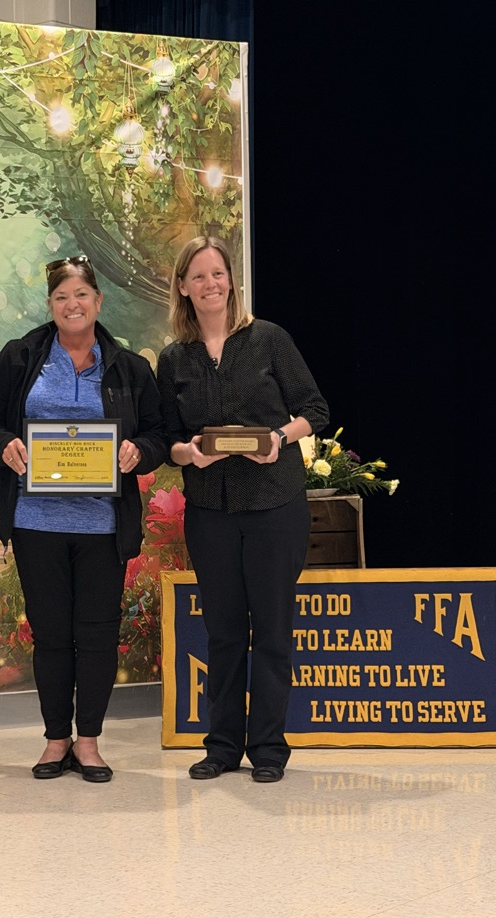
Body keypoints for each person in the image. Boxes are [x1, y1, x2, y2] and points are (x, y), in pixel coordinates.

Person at [0, 254, 167, 782]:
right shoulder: (20, 358)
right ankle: (56, 739)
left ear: (97, 302)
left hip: (103, 527)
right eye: (61, 297)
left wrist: (137, 453)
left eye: (81, 295)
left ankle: (89, 743)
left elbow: (157, 435)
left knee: (98, 635)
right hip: (37, 522)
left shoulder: (128, 367)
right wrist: (6, 445)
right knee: (52, 634)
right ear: (51, 306)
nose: (72, 304)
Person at [156, 236, 329, 783]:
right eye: (199, 276)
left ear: (232, 281)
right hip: (210, 510)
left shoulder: (269, 340)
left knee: (273, 631)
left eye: (219, 274)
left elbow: (315, 409)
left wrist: (280, 436)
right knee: (224, 633)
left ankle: (269, 750)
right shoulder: (173, 358)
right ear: (183, 287)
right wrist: (185, 453)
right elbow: (166, 438)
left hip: (275, 504)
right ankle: (223, 745)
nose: (211, 284)